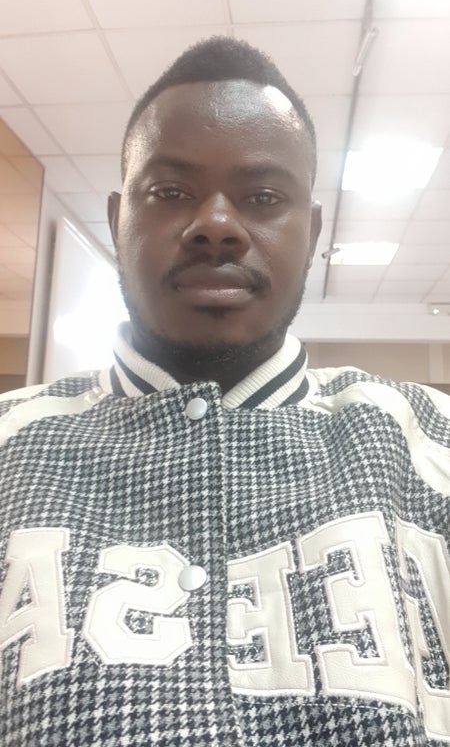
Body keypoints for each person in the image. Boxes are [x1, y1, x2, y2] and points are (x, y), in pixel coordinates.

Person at [0, 37, 448, 747]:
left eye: (263, 197)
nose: (215, 225)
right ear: (117, 221)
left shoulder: (427, 441)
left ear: (313, 231)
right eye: (170, 193)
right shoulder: (10, 444)